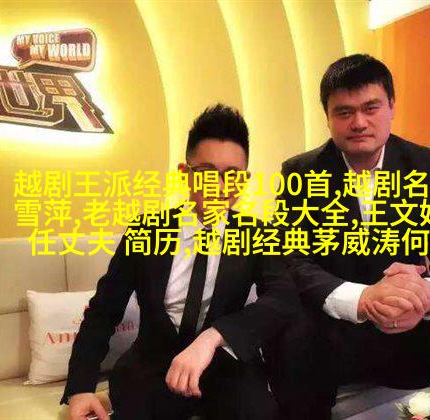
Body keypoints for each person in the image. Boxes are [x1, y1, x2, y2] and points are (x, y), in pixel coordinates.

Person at [267, 54, 430, 419]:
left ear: (392, 106)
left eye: (371, 108)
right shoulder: (301, 172)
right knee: (288, 328)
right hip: (337, 332)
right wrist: (363, 298)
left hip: (415, 331)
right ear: (328, 117)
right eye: (344, 112)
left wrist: (426, 296)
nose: (359, 122)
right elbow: (292, 260)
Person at [61, 104, 298, 420]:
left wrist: (213, 337)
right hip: (151, 369)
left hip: (224, 366)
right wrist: (80, 388)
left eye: (232, 175)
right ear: (185, 174)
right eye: (207, 173)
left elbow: (282, 299)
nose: (220, 186)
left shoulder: (257, 234)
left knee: (259, 413)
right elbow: (104, 310)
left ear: (244, 180)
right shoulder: (147, 231)